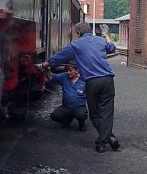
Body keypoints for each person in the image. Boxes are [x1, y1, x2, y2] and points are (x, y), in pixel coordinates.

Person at [40, 21, 120, 153]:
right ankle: (106, 140)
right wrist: (106, 35)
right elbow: (112, 48)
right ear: (89, 30)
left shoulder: (76, 44)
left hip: (91, 82)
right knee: (107, 112)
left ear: (78, 33)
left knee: (94, 114)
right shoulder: (100, 40)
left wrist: (44, 65)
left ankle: (105, 141)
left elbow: (59, 57)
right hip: (107, 80)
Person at [48, 62, 88, 131]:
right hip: (66, 107)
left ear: (77, 70)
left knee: (81, 115)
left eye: (71, 70)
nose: (68, 72)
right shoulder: (64, 76)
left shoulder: (84, 80)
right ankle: (66, 122)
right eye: (67, 71)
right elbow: (51, 77)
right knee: (54, 115)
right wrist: (47, 69)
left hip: (79, 107)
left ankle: (82, 124)